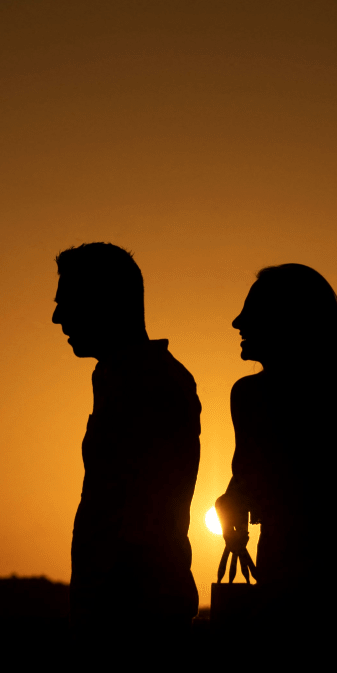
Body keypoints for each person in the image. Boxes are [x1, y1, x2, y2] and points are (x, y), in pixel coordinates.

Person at [52, 243, 201, 630]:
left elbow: (147, 515)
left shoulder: (152, 383)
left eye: (67, 302)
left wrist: (107, 610)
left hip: (133, 617)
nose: (57, 317)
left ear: (104, 302)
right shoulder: (119, 377)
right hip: (116, 609)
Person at [213, 264, 337, 619]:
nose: (238, 322)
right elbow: (249, 477)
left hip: (332, 588)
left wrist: (333, 563)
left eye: (252, 312)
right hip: (280, 570)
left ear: (288, 322)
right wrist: (232, 501)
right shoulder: (248, 396)